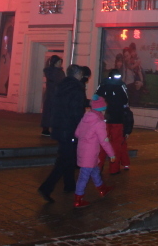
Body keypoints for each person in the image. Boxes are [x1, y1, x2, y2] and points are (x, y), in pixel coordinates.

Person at [38, 64, 88, 201]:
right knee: (64, 160)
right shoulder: (77, 88)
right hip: (70, 129)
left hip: (59, 127)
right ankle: (46, 187)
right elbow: (76, 112)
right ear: (78, 74)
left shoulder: (61, 86)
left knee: (68, 157)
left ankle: (69, 185)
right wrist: (81, 129)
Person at [71, 96, 116, 207]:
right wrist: (111, 154)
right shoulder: (99, 123)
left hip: (82, 150)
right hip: (90, 153)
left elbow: (77, 133)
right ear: (101, 110)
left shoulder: (85, 118)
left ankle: (102, 188)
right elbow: (104, 141)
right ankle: (78, 199)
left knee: (94, 170)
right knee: (84, 176)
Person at [95, 69, 131, 174]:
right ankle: (114, 169)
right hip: (118, 118)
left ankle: (99, 166)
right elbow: (126, 99)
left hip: (105, 117)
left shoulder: (103, 84)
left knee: (102, 142)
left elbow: (96, 97)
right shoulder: (122, 85)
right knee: (116, 144)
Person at [40, 55, 65, 137]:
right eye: (58, 62)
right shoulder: (52, 72)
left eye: (60, 62)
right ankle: (46, 129)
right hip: (51, 94)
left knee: (55, 112)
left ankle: (54, 128)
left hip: (57, 94)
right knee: (49, 111)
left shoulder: (59, 72)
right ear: (54, 63)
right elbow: (56, 81)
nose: (60, 64)